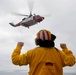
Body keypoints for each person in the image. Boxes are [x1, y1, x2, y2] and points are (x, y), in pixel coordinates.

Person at [11, 29, 75, 75]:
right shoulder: (59, 53)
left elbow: (15, 60)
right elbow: (72, 61)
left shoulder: (32, 52)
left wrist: (18, 47)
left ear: (37, 41)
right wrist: (65, 49)